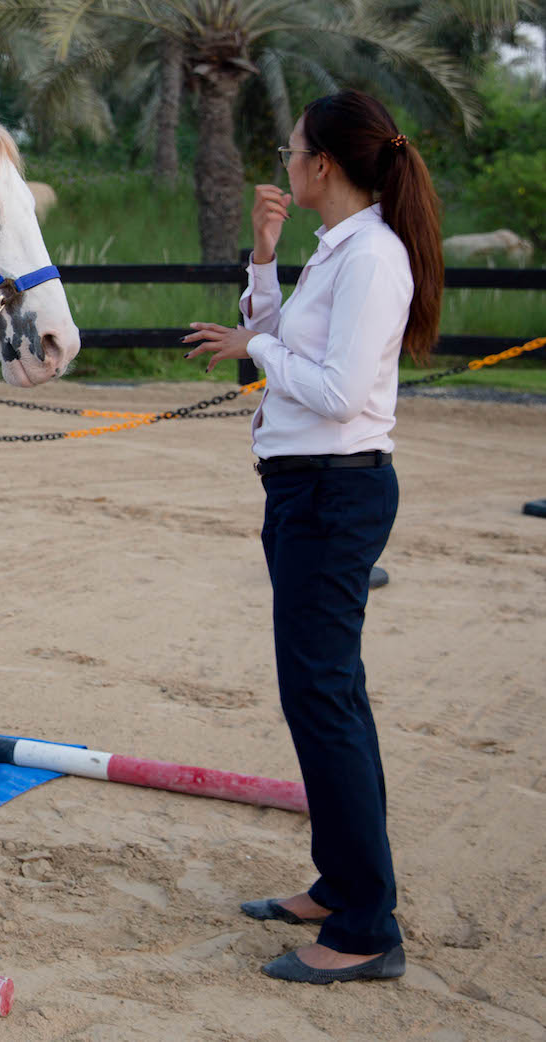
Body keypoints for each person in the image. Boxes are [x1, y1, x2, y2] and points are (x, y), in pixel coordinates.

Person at [184, 89, 443, 985]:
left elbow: (331, 390)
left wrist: (254, 352)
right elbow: (282, 332)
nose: (284, 164)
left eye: (293, 150)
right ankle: (341, 885)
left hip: (335, 494)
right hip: (307, 493)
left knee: (326, 701)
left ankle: (368, 926)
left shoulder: (372, 259)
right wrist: (263, 261)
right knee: (320, 696)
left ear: (323, 165)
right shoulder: (337, 250)